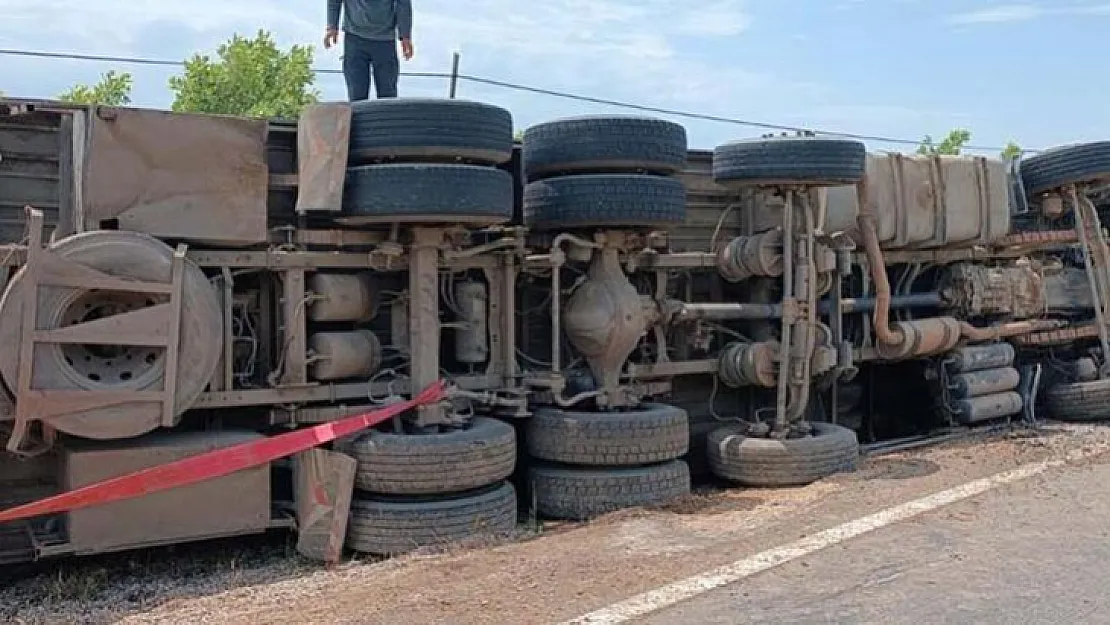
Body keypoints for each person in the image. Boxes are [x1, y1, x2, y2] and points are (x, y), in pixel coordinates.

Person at [325, 0, 414, 101]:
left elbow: (403, 3)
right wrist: (332, 27)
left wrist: (405, 36)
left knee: (388, 97)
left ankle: (387, 117)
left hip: (385, 41)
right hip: (354, 39)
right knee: (356, 96)